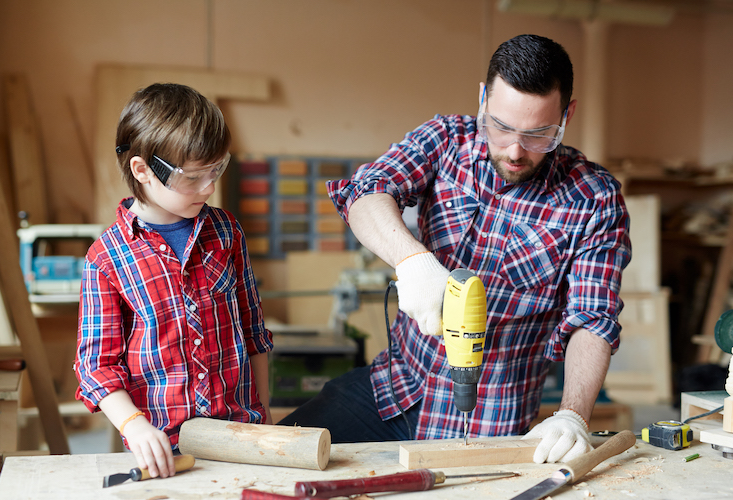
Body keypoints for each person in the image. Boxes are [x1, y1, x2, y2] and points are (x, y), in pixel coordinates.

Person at [278, 34, 631, 464]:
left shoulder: (593, 198)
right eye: (501, 127)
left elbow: (592, 319)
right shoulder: (446, 141)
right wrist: (412, 259)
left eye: (539, 134)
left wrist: (573, 415)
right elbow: (366, 192)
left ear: (566, 115)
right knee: (272, 460)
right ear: (483, 99)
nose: (515, 150)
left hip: (491, 424)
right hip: (394, 392)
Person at [74, 83, 273, 478]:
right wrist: (134, 425)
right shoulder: (106, 259)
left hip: (241, 434)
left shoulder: (227, 232)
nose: (210, 187)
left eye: (216, 170)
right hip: (167, 449)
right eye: (194, 177)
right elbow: (95, 365)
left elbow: (254, 333)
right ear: (143, 170)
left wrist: (264, 414)